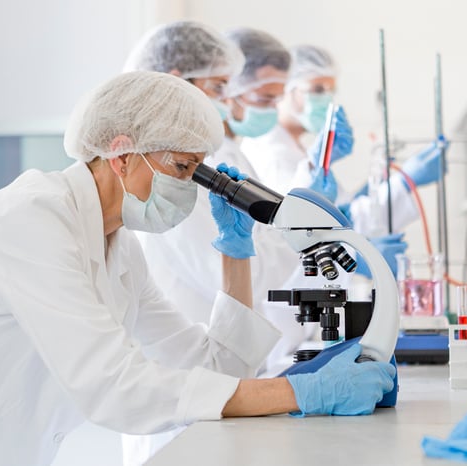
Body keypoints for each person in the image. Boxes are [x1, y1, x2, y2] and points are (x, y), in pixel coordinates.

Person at [0, 71, 396, 466]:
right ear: (122, 155)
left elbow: (215, 367)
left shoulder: (118, 247)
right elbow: (115, 388)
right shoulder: (29, 223)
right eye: (184, 168)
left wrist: (236, 252)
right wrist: (297, 393)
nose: (191, 187)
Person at [121, 23, 331, 463]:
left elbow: (232, 340)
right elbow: (237, 273)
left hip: (209, 378)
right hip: (178, 403)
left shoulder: (194, 164)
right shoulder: (166, 180)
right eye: (218, 86)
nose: (224, 97)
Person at [241, 44, 448, 275]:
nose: (326, 99)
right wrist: (406, 180)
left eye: (331, 91)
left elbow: (341, 213)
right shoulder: (275, 155)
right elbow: (298, 236)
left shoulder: (298, 148)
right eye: (317, 89)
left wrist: (382, 181)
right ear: (287, 89)